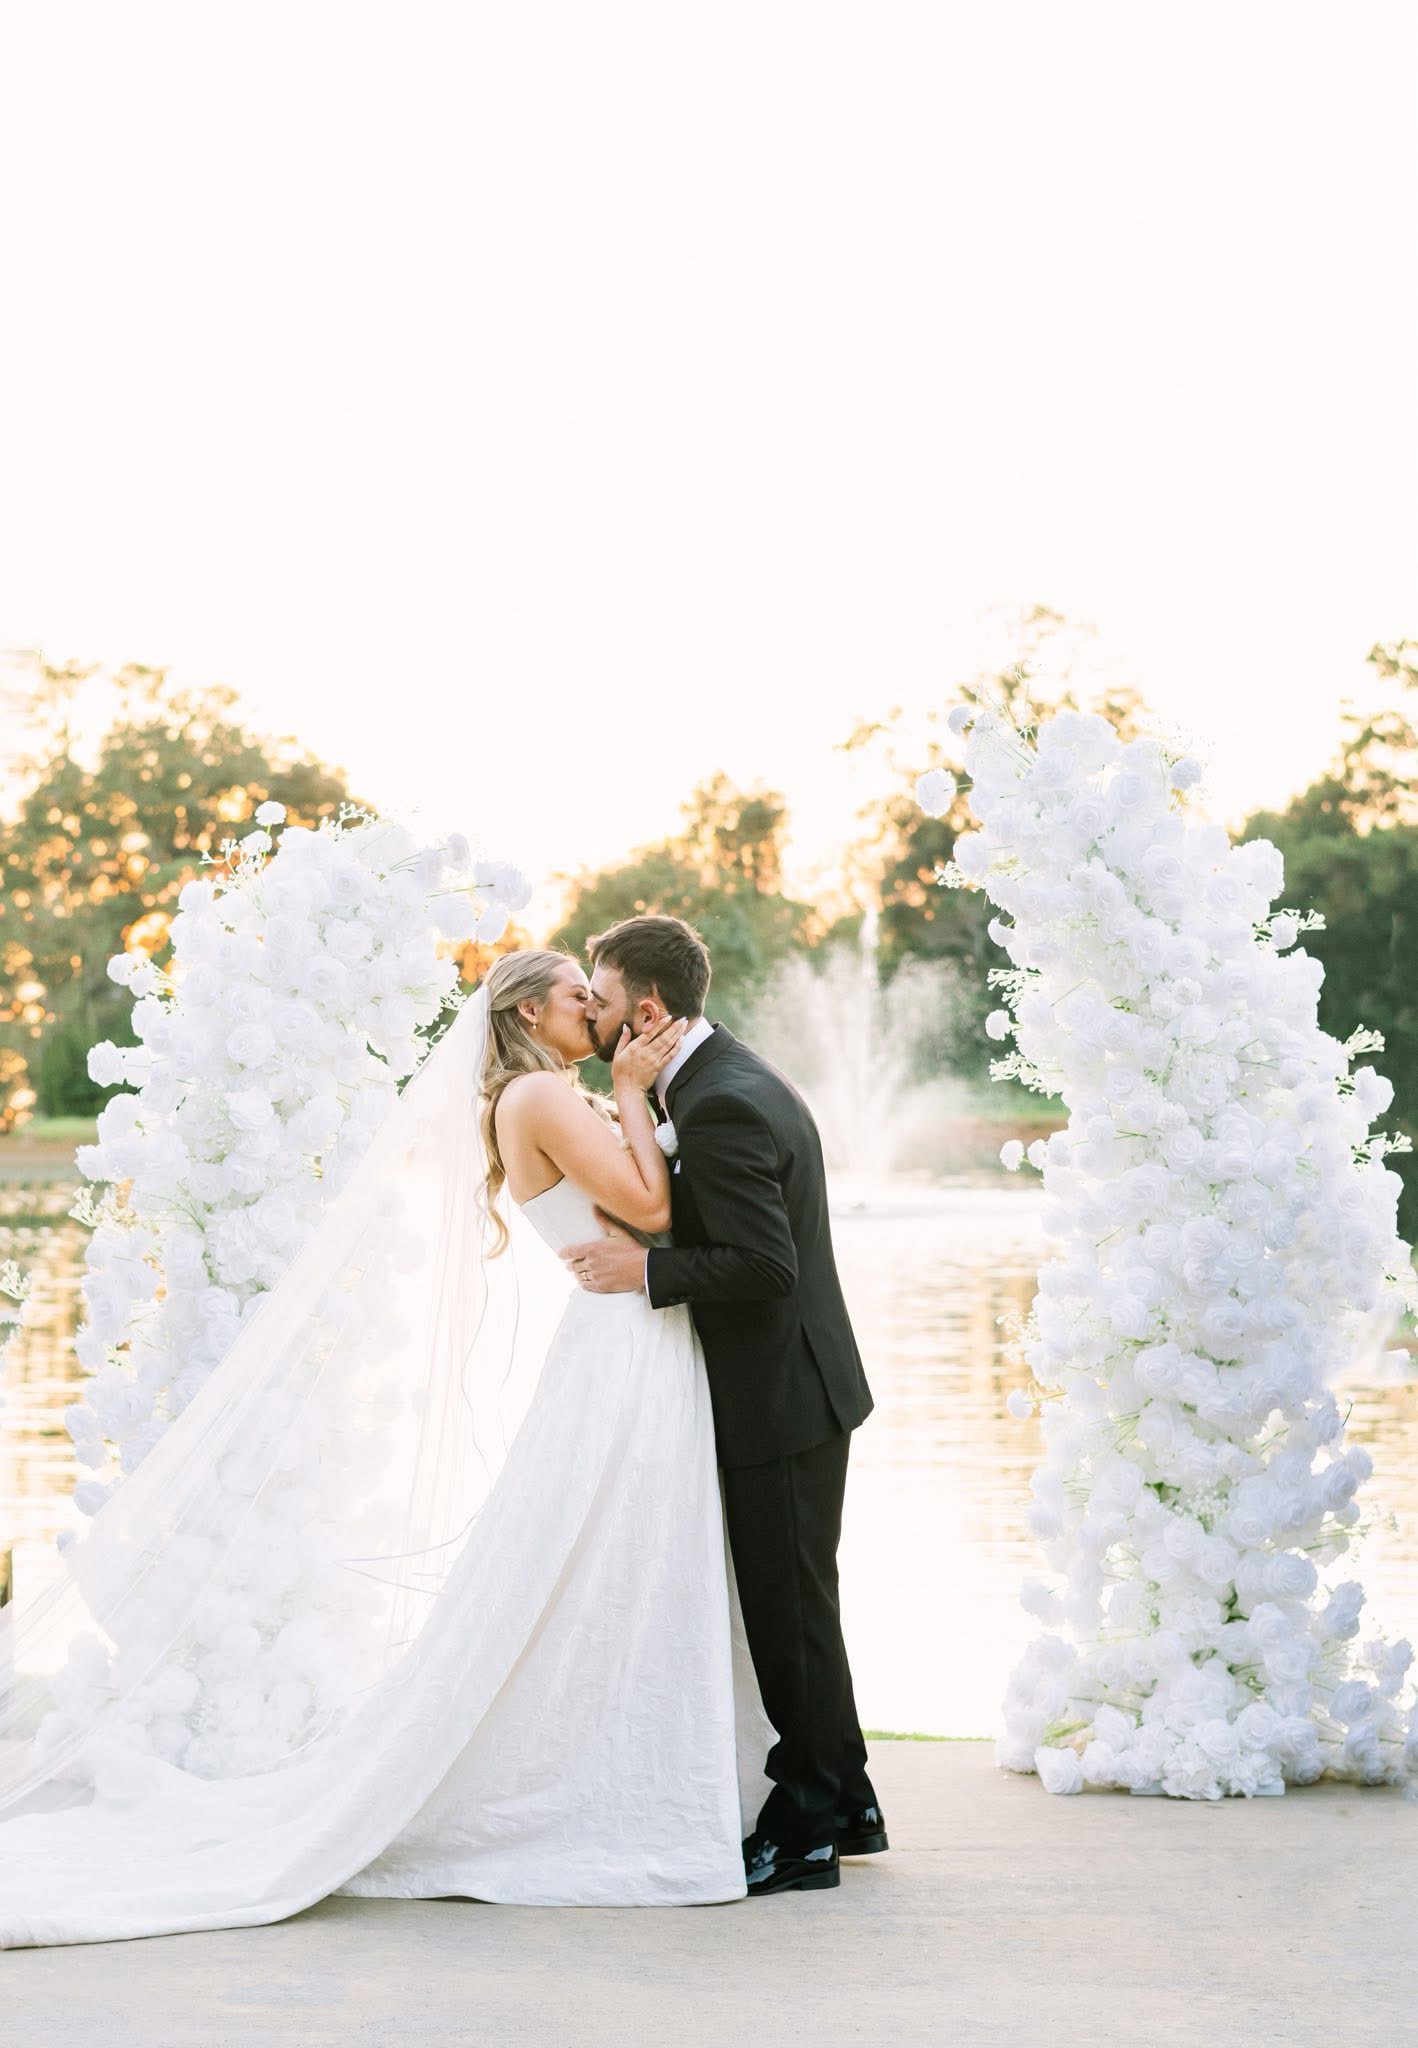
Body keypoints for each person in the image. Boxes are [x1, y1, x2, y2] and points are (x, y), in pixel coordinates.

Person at [564, 914, 885, 1896]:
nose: (589, 1014)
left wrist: (644, 1266)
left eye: (601, 999)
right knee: (802, 1604)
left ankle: (806, 1826)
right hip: (798, 1381)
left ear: (645, 1010)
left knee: (785, 1613)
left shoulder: (723, 1105)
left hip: (780, 1394)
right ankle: (853, 1796)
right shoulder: (718, 1077)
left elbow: (760, 1262)